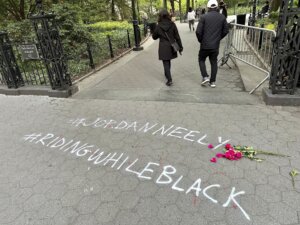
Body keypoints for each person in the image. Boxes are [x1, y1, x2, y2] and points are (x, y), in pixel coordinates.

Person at [196, 0, 229, 88]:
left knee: (201, 59)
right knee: (214, 62)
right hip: (215, 45)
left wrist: (201, 40)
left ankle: (205, 76)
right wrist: (218, 38)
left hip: (205, 44)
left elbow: (198, 32)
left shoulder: (203, 17)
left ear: (208, 7)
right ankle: (212, 82)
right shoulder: (222, 17)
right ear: (217, 7)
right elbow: (226, 30)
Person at [152, 9, 183, 86]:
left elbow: (154, 37)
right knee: (168, 61)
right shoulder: (172, 24)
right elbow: (177, 37)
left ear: (160, 16)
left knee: (166, 62)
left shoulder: (158, 26)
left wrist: (156, 31)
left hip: (163, 46)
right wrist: (180, 47)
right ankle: (167, 75)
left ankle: (169, 79)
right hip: (171, 46)